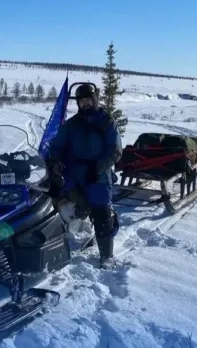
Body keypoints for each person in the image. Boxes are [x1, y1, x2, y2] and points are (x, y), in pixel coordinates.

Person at [47, 83, 122, 269]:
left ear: (95, 99)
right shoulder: (72, 124)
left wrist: (97, 168)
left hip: (98, 174)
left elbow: (115, 151)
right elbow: (57, 146)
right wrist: (55, 162)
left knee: (101, 211)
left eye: (89, 100)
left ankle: (106, 255)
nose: (86, 104)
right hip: (73, 173)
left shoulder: (107, 123)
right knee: (55, 199)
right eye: (82, 101)